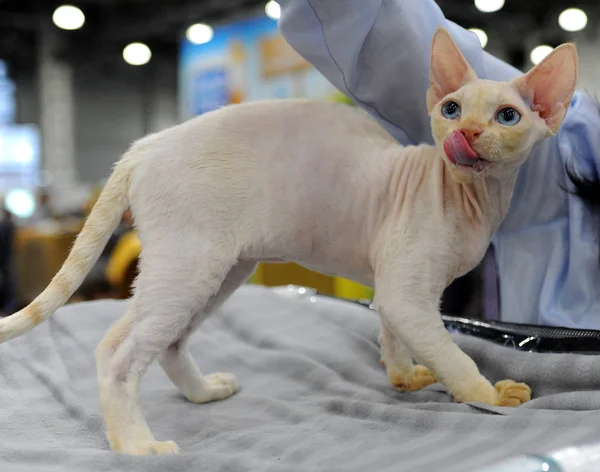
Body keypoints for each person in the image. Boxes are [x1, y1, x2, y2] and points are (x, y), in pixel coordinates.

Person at [278, 0, 600, 329]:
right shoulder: (577, 154)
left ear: (549, 113)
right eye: (450, 109)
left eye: (506, 116)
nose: (470, 131)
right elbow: (389, 40)